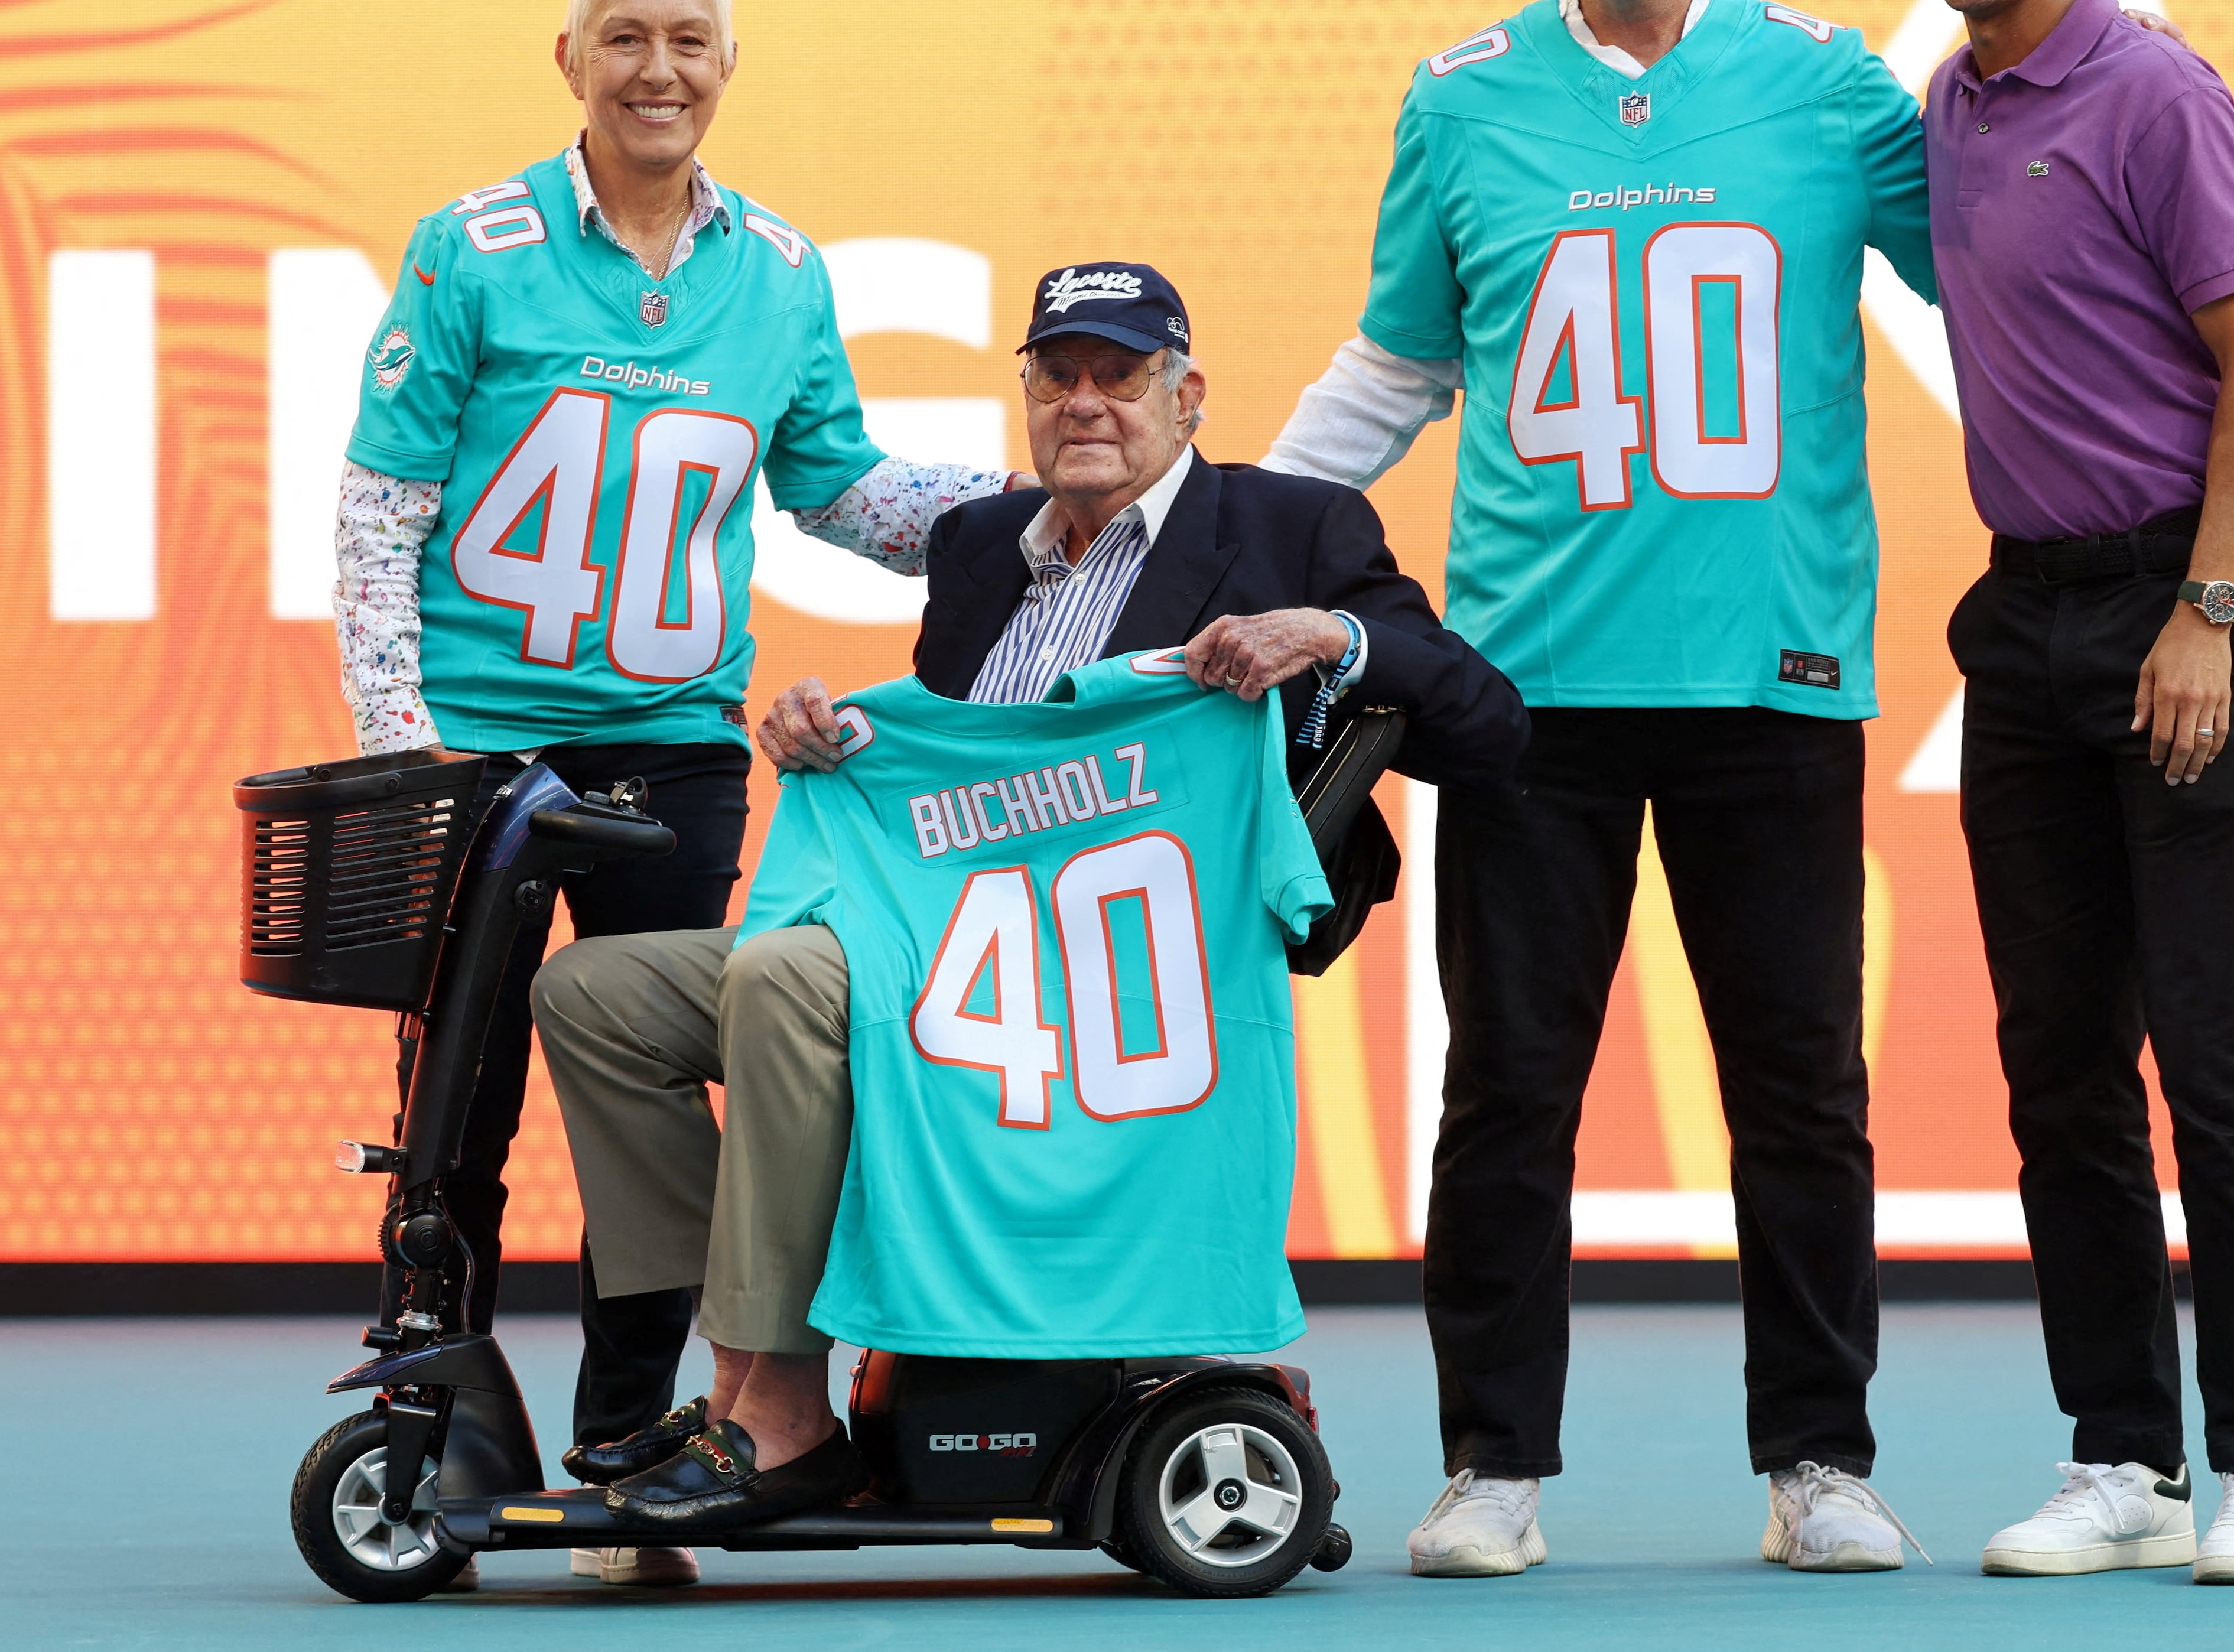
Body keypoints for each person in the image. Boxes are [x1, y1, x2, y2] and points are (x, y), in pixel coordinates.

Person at [528, 259, 1526, 1529]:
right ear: (1026, 396)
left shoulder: (1292, 529)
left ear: (1189, 395)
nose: (1086, 401)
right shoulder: (978, 545)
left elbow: (1487, 723)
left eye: (1122, 373)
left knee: (783, 973)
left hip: (1121, 971)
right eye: (1057, 375)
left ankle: (774, 1403)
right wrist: (828, 733)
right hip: (937, 937)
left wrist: (1328, 636)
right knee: (593, 990)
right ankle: (737, 1354)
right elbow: (949, 760)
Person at [1262, 0, 1939, 1578]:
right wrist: (1215, 525)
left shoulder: (1829, 87)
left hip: (1771, 676)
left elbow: (2009, 294)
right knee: (1506, 1084)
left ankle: (1820, 1456)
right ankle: (1494, 1459)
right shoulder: (1465, 94)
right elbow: (1398, 363)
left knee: (1799, 1080)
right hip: (1530, 689)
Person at [332, 0, 1017, 1588]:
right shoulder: (472, 246)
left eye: (691, 41)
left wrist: (1025, 522)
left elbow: (835, 485)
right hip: (488, 744)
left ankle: (633, 1446)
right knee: (462, 1101)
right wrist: (404, 743)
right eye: (626, 38)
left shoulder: (779, 271)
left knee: (647, 1094)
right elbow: (379, 509)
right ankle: (429, 1422)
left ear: (728, 64)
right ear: (569, 60)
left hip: (674, 749)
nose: (660, 69)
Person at [1900, 0, 2234, 1587]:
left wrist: (2205, 611)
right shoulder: (1948, 102)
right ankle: (2125, 1456)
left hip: (2196, 594)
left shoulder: (2154, 88)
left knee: (2213, 1052)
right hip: (2027, 619)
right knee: (2058, 1064)